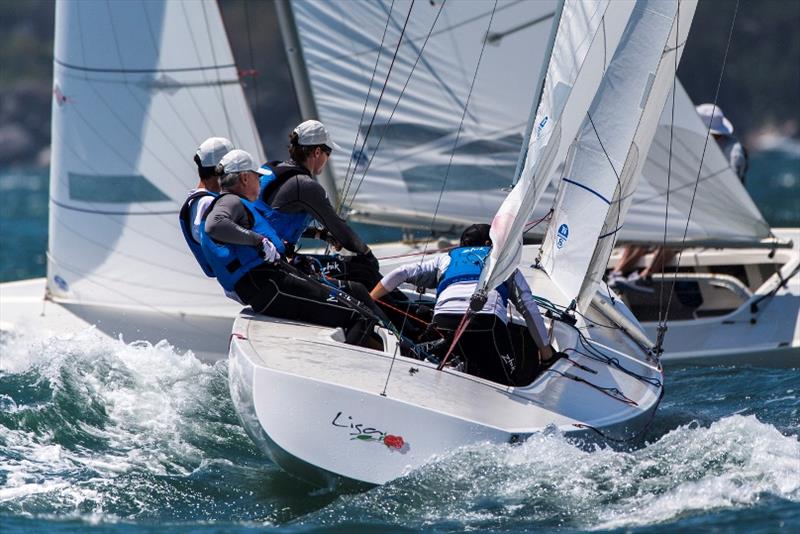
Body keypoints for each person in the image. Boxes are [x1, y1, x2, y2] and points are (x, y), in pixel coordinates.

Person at [200, 149, 384, 346]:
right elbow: (215, 225)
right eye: (257, 177)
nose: (260, 182)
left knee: (356, 296)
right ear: (245, 178)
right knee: (361, 316)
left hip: (267, 283)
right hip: (269, 285)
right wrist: (257, 241)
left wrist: (316, 234)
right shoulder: (230, 200)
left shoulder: (236, 203)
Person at [370, 224, 554, 385]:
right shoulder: (504, 263)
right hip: (486, 324)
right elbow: (528, 307)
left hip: (443, 322)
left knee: (435, 365)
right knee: (507, 382)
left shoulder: (446, 258)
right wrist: (547, 354)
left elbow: (401, 272)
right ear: (490, 245)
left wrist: (369, 300)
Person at [609, 104, 749, 294]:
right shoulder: (698, 146)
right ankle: (617, 274)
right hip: (692, 211)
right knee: (647, 227)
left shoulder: (734, 152)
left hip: (718, 218)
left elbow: (731, 192)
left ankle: (646, 277)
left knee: (676, 233)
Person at [255, 119, 381, 288]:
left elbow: (274, 223)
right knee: (365, 271)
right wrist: (367, 254)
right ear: (316, 152)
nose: (328, 158)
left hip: (261, 262)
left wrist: (320, 235)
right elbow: (338, 227)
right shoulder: (304, 185)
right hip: (276, 267)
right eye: (328, 153)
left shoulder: (274, 170)